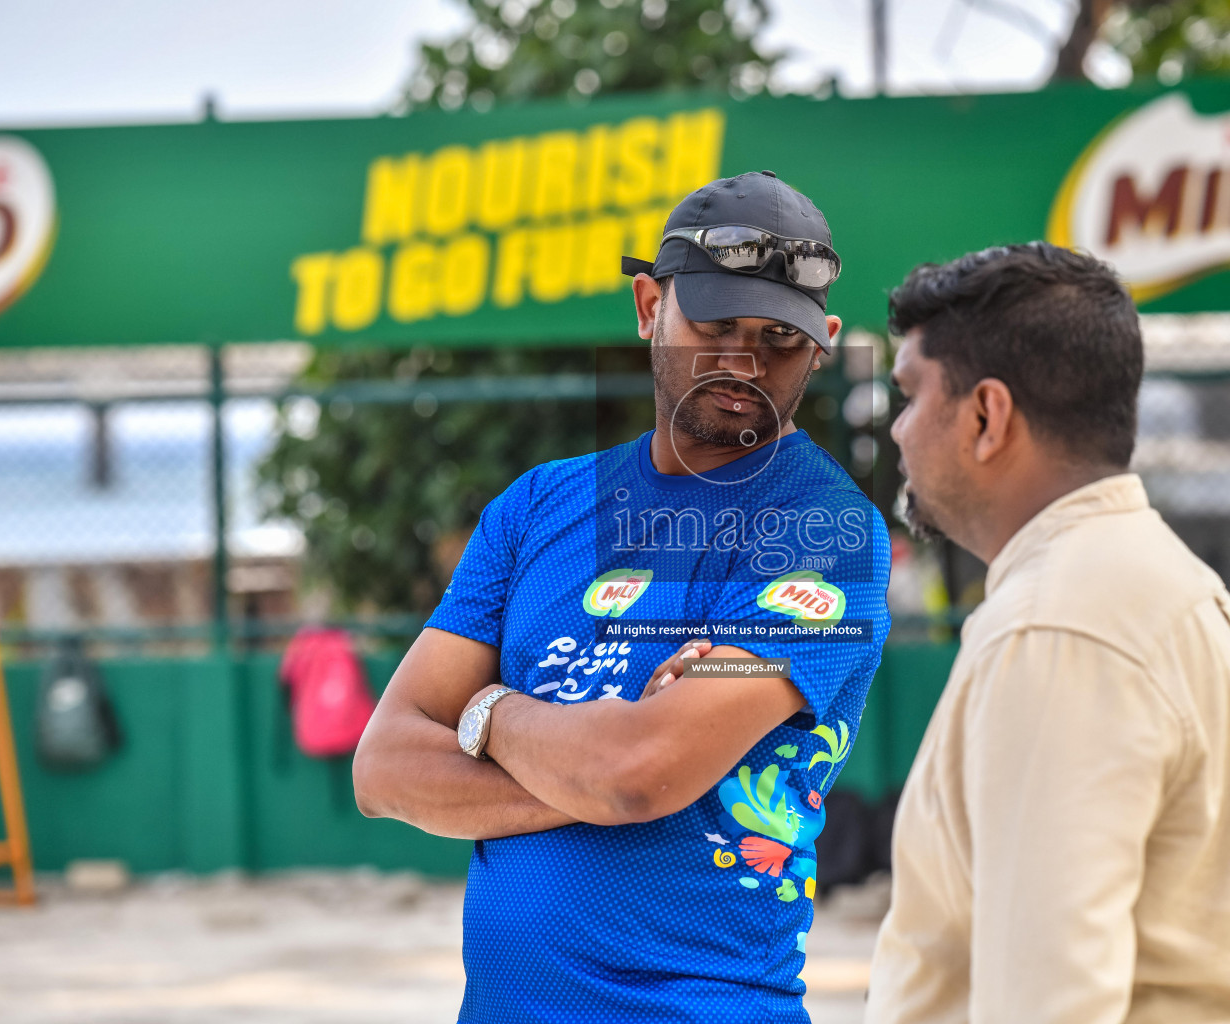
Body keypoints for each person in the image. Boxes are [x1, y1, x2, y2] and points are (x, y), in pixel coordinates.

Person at [353, 170, 891, 1024]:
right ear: (648, 306)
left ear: (822, 341)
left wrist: (487, 714)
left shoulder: (825, 533)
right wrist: (596, 771)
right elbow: (382, 767)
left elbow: (639, 774)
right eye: (714, 325)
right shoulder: (537, 508)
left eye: (779, 341)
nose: (744, 363)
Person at [867, 243, 1230, 1024]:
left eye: (910, 395)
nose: (900, 431)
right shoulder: (1148, 584)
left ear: (986, 416)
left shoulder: (1057, 626)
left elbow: (1048, 1001)